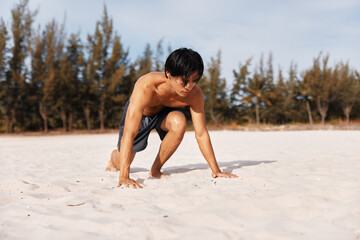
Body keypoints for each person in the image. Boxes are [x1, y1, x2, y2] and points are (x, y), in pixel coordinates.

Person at [106, 48, 238, 188]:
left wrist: (216, 170)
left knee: (179, 123)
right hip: (142, 115)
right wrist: (124, 176)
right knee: (122, 163)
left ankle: (155, 169)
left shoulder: (195, 94)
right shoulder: (146, 85)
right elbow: (129, 133)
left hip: (165, 114)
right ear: (169, 73)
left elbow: (201, 133)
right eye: (184, 81)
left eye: (194, 81)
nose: (189, 87)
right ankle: (114, 157)